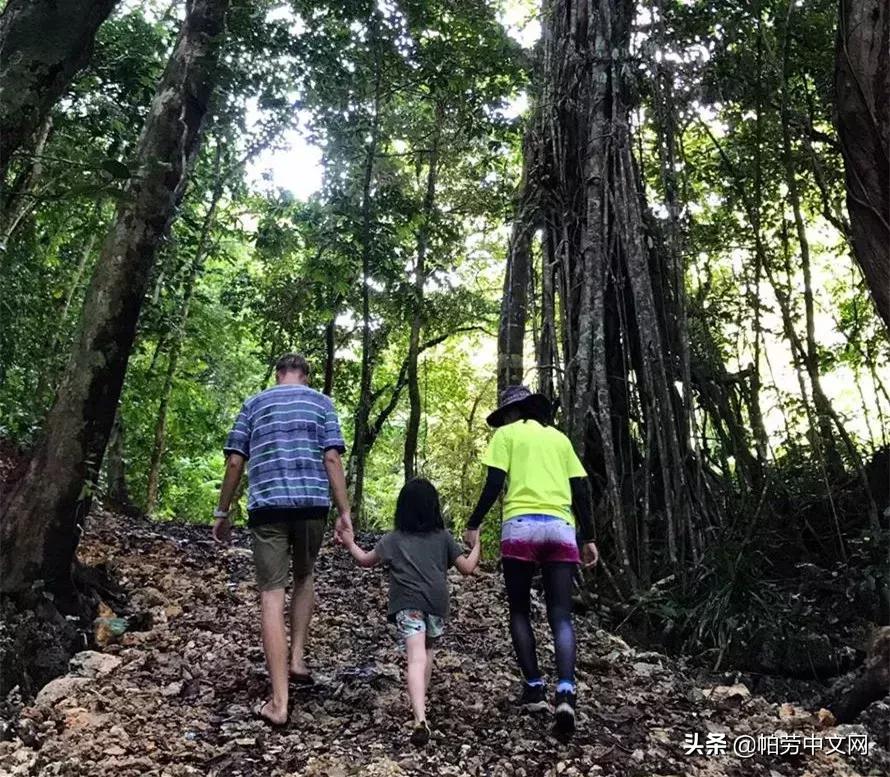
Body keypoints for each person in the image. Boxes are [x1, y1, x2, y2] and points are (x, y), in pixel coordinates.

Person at [212, 353, 352, 727]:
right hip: (312, 507)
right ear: (306, 375)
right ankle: (298, 659)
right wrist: (344, 513)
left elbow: (235, 463)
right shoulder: (322, 403)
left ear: (278, 375)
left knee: (271, 595)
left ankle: (279, 702)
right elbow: (333, 459)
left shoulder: (255, 404)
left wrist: (222, 512)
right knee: (305, 577)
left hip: (268, 508)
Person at [464, 385, 598, 737]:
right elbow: (580, 488)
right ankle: (566, 692)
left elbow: (494, 484)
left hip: (521, 527)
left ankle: (534, 688)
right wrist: (589, 538)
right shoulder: (559, 439)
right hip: (560, 527)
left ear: (512, 413)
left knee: (520, 610)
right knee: (561, 615)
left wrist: (474, 523)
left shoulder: (507, 435)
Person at [340, 478, 480, 747]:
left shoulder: (394, 539)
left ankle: (419, 718)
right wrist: (477, 547)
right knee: (426, 654)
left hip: (408, 605)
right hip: (436, 604)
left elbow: (365, 560)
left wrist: (349, 542)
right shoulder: (444, 538)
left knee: (415, 658)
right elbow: (467, 568)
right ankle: (421, 709)